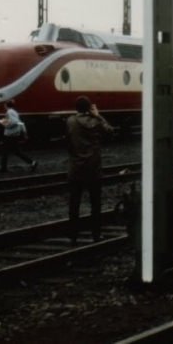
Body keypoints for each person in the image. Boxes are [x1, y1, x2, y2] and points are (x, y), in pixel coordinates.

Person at [66, 96, 114, 244]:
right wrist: (98, 116)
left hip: (76, 167)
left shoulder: (70, 121)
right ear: (89, 108)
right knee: (95, 203)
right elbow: (110, 132)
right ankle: (96, 235)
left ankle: (73, 236)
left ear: (76, 108)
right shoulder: (96, 122)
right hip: (93, 167)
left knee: (74, 204)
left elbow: (68, 141)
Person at [0, 100, 37, 173]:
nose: (4, 106)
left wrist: (4, 123)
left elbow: (14, 122)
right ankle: (33, 162)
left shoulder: (9, 112)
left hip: (10, 135)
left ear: (6, 105)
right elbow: (20, 123)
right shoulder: (15, 112)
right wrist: (24, 132)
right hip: (14, 134)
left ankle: (3, 169)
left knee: (5, 151)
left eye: (4, 105)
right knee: (16, 152)